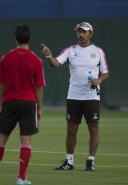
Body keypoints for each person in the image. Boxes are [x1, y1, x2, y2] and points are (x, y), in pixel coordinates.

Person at [0, 24, 46, 185]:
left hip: (9, 102)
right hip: (29, 102)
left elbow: (0, 83)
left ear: (15, 38)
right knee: (25, 141)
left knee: (1, 139)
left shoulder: (6, 58)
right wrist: (39, 107)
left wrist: (2, 104)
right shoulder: (36, 60)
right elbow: (39, 87)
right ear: (30, 38)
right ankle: (21, 178)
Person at [41, 22, 109, 171]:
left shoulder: (98, 51)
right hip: (74, 96)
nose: (80, 34)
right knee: (71, 129)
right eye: (78, 32)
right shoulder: (70, 50)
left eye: (84, 32)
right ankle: (69, 161)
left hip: (92, 96)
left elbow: (105, 72)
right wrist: (49, 55)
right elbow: (55, 64)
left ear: (90, 34)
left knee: (93, 128)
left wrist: (99, 80)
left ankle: (91, 161)